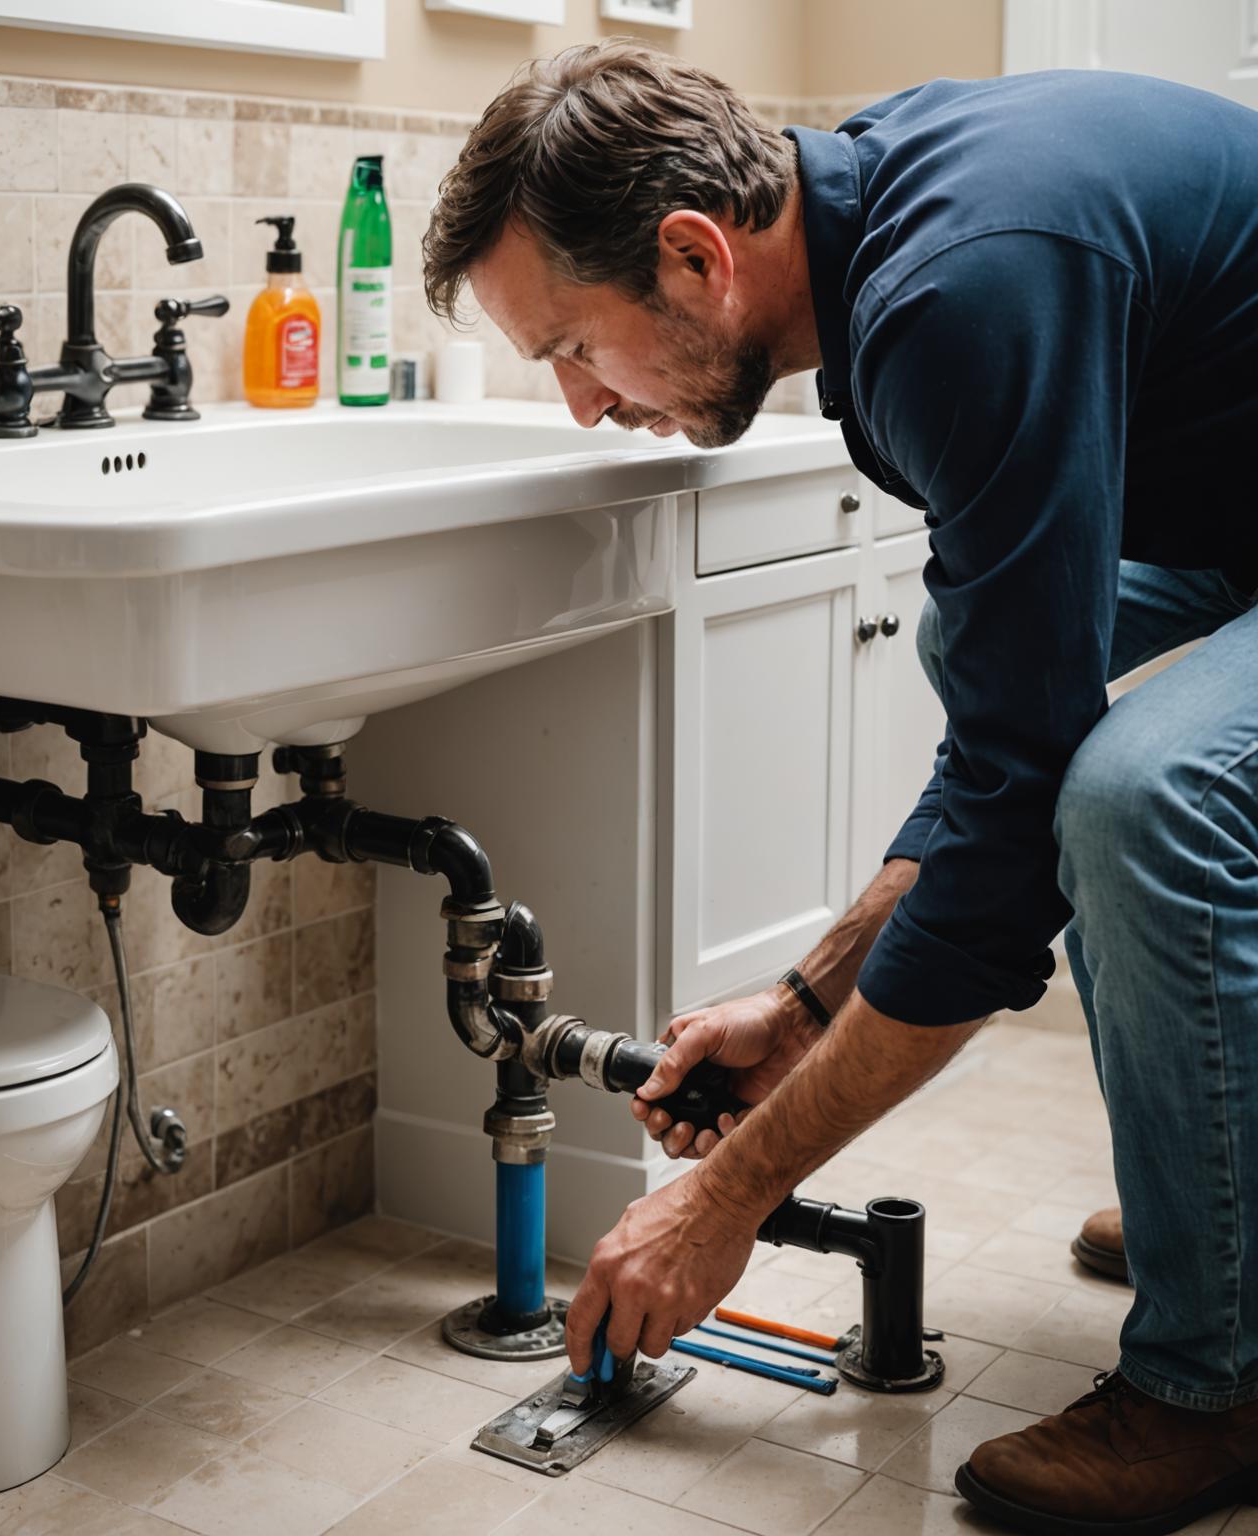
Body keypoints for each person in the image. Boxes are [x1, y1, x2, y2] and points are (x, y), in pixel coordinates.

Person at [422, 41, 1258, 1536]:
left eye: (573, 347)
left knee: (1145, 794)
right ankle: (1233, 1200)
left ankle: (1220, 1372)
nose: (580, 408)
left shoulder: (964, 284)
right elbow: (1005, 743)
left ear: (694, 256)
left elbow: (1017, 830)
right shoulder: (873, 238)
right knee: (981, 658)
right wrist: (805, 1005)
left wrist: (724, 1194)